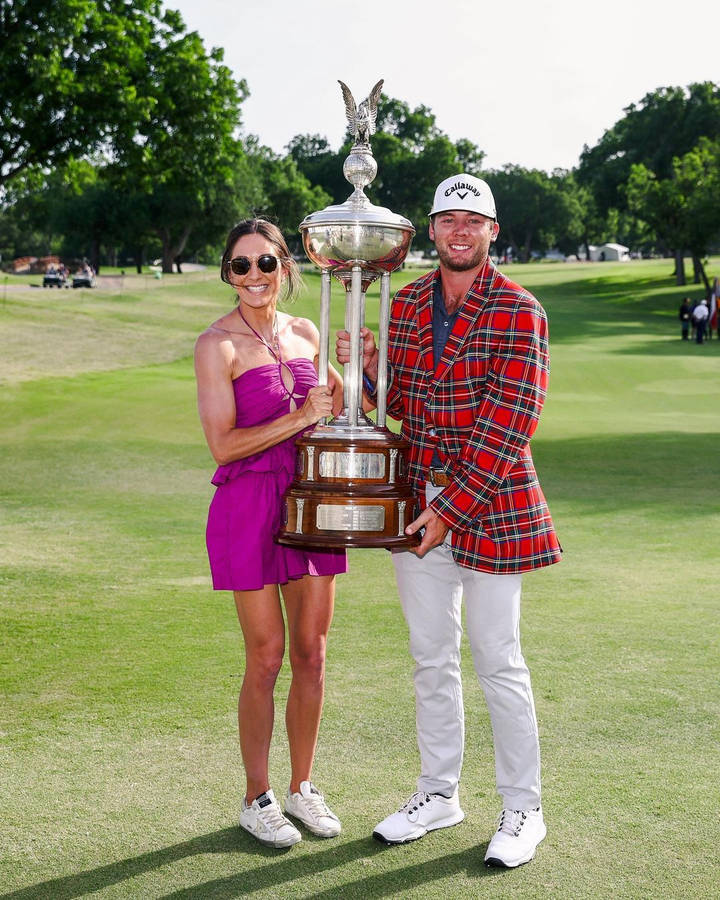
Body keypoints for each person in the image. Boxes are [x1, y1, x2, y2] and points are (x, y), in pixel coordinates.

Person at [337, 174, 562, 868]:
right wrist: (368, 373)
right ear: (431, 232)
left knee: (499, 660)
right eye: (448, 220)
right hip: (418, 504)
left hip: (490, 507)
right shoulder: (405, 306)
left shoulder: (521, 310)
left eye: (474, 220)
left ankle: (524, 808)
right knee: (431, 658)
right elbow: (400, 405)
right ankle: (439, 794)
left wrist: (445, 513)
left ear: (494, 232)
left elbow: (508, 427)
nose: (460, 232)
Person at [195, 218, 347, 848]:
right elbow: (223, 445)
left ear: (287, 267)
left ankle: (302, 788)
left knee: (312, 653)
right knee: (266, 656)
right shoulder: (217, 345)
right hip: (251, 503)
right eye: (240, 265)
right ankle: (256, 797)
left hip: (313, 502)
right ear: (228, 274)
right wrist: (299, 417)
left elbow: (340, 412)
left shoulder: (306, 332)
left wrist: (351, 373)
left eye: (265, 263)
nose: (253, 276)